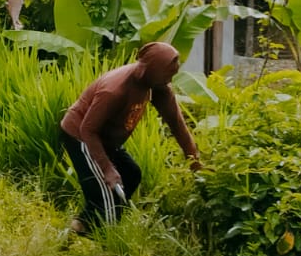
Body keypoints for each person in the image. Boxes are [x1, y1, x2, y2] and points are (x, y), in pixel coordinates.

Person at [60, 42, 201, 231]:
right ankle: (109, 246)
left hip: (106, 139)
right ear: (149, 71)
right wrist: (107, 168)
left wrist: (195, 162)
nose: (169, 82)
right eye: (166, 76)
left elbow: (177, 125)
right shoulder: (114, 89)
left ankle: (81, 226)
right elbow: (88, 129)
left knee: (130, 175)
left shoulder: (158, 86)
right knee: (106, 193)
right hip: (81, 136)